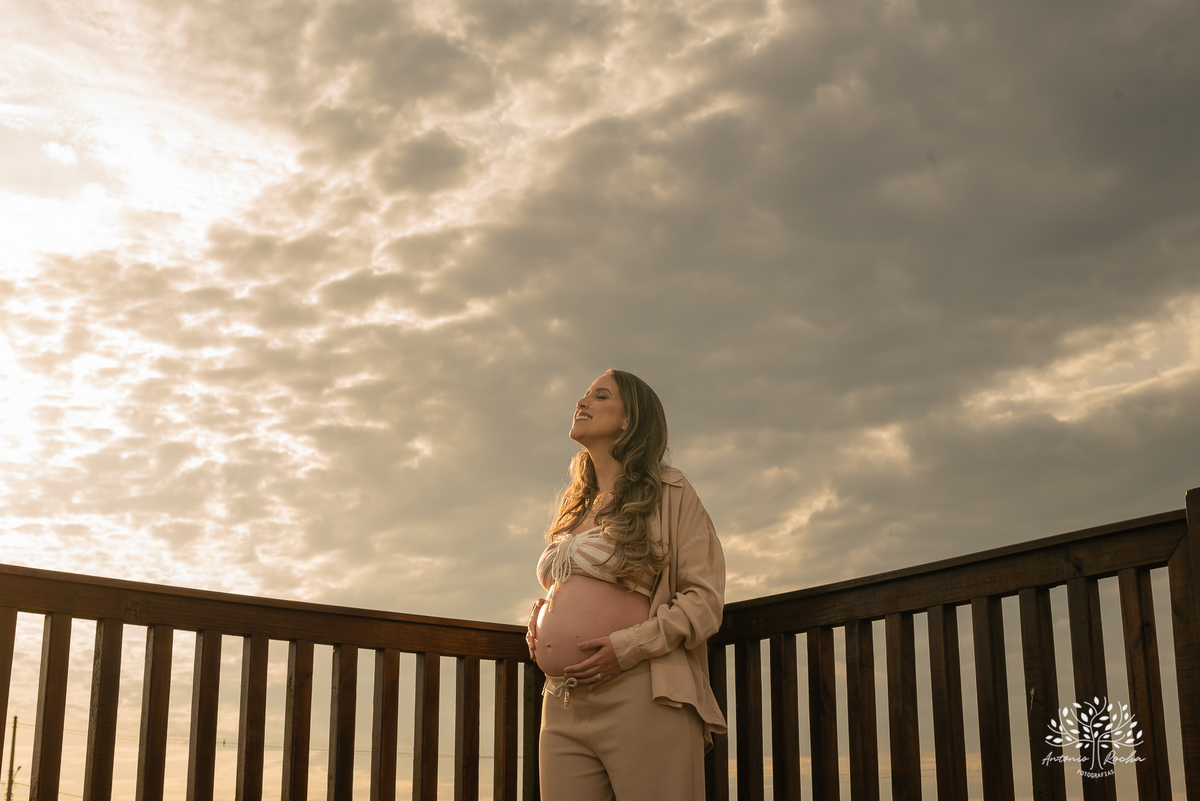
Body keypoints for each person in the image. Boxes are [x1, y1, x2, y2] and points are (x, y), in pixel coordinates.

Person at [526, 368, 726, 801]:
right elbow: (580, 585)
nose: (582, 403)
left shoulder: (670, 493)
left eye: (599, 396)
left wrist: (627, 648)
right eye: (583, 395)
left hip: (642, 693)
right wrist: (543, 617)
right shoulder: (575, 503)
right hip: (561, 703)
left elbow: (704, 601)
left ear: (629, 421)